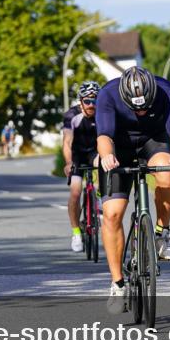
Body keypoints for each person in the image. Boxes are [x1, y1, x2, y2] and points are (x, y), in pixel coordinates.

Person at [96, 66, 170, 314]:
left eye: (146, 106)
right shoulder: (108, 94)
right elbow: (104, 135)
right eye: (136, 108)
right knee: (113, 213)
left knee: (167, 174)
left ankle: (161, 233)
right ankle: (117, 284)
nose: (142, 111)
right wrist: (106, 157)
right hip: (119, 146)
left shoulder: (167, 90)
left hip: (153, 141)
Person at [65, 81, 101, 253]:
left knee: (104, 163)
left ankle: (100, 196)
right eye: (87, 101)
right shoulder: (72, 115)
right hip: (77, 155)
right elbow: (67, 142)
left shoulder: (103, 113)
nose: (91, 105)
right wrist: (68, 162)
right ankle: (76, 233)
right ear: (80, 101)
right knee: (75, 192)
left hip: (94, 153)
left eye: (95, 101)